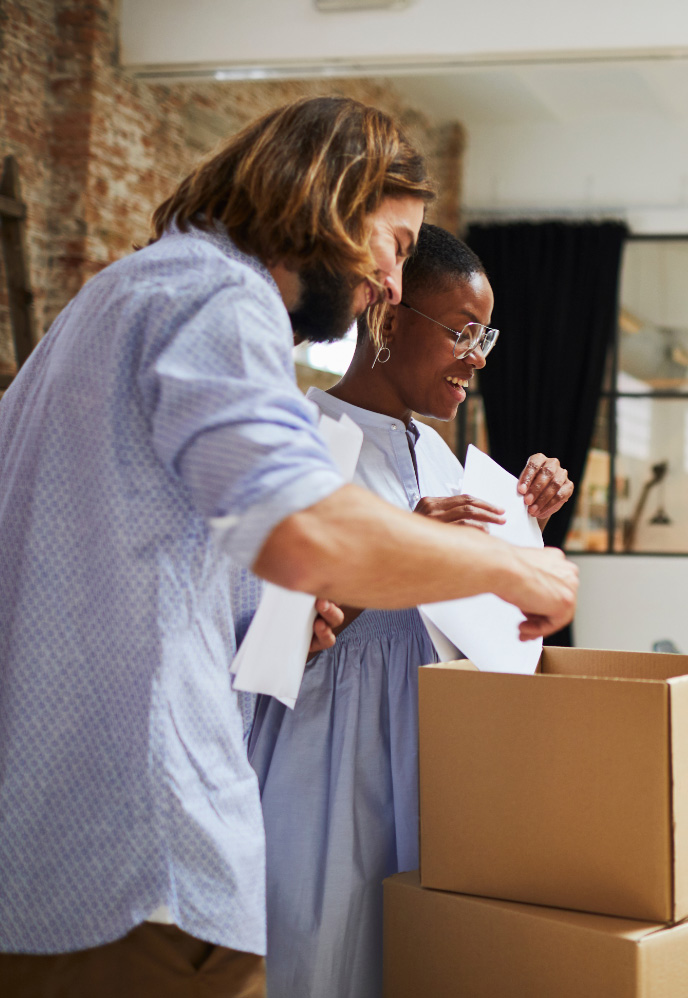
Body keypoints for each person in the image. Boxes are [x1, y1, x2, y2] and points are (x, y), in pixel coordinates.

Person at [0, 97, 577, 997]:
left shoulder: (122, 294)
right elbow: (306, 528)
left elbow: (140, 555)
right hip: (142, 849)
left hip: (49, 841)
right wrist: (515, 565)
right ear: (331, 203)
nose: (390, 284)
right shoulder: (219, 298)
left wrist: (270, 614)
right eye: (393, 245)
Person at [246, 224, 572, 998]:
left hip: (432, 758)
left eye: (484, 334)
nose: (479, 357)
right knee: (323, 959)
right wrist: (399, 552)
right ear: (389, 318)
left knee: (419, 959)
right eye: (462, 332)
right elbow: (270, 646)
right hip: (329, 760)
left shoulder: (441, 455)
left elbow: (462, 614)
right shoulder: (308, 437)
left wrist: (526, 526)